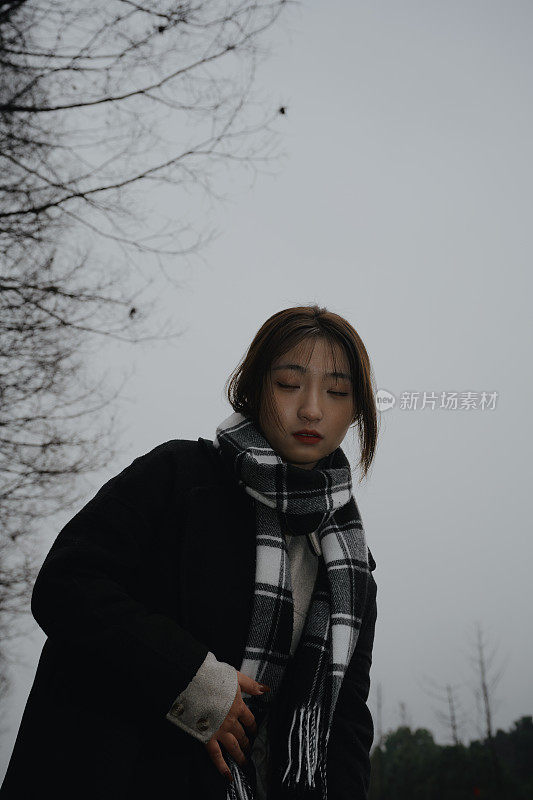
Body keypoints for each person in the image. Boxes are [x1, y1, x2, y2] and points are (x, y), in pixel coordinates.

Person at [1, 304, 379, 800]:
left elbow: (345, 724)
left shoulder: (349, 565)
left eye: (336, 392)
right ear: (254, 389)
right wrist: (192, 681)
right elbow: (65, 586)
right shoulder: (179, 478)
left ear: (356, 410)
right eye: (289, 384)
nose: (311, 409)